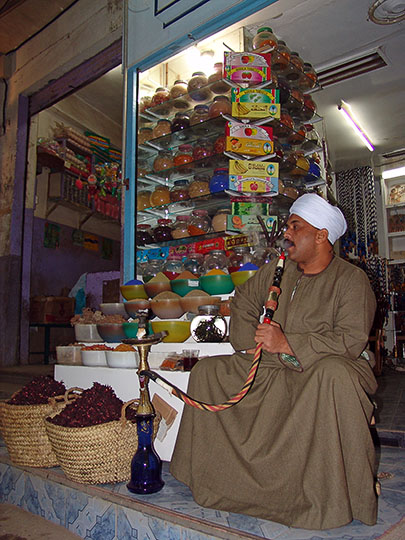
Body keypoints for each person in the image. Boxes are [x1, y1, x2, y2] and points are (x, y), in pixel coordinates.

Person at [170, 193, 378, 530]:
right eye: (289, 226)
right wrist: (258, 336)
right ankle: (210, 480)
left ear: (321, 235)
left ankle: (319, 500)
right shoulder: (277, 270)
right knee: (208, 373)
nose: (288, 234)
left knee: (332, 376)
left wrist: (288, 343)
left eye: (296, 227)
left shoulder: (351, 280)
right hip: (268, 365)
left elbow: (350, 340)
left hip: (320, 367)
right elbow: (243, 302)